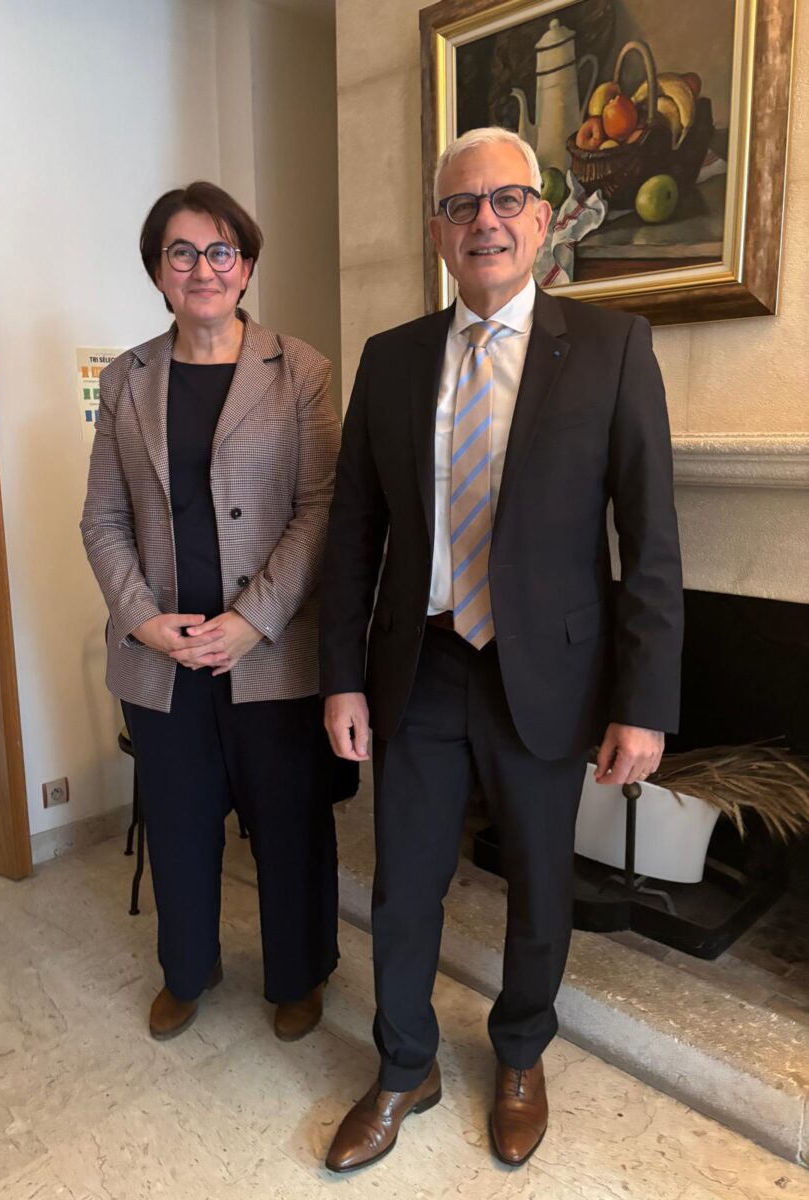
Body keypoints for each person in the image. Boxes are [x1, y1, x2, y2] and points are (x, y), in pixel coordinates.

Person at [319, 127, 683, 1172]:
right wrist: (341, 677)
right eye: (461, 205)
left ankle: (521, 1054)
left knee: (540, 883)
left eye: (506, 199)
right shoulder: (391, 359)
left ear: (544, 217)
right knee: (403, 887)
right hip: (423, 665)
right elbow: (354, 533)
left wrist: (644, 703)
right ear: (438, 231)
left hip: (550, 673)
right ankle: (405, 1065)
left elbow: (651, 541)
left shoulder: (613, 349)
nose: (485, 220)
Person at [81, 181, 341, 1044]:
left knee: (290, 827)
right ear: (158, 271)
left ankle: (299, 975)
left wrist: (252, 620)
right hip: (163, 656)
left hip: (270, 652)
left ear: (247, 265)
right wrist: (142, 619)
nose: (203, 269)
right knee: (181, 826)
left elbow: (321, 510)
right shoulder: (127, 379)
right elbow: (102, 519)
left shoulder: (300, 371)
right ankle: (187, 971)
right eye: (182, 253)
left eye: (221, 251)